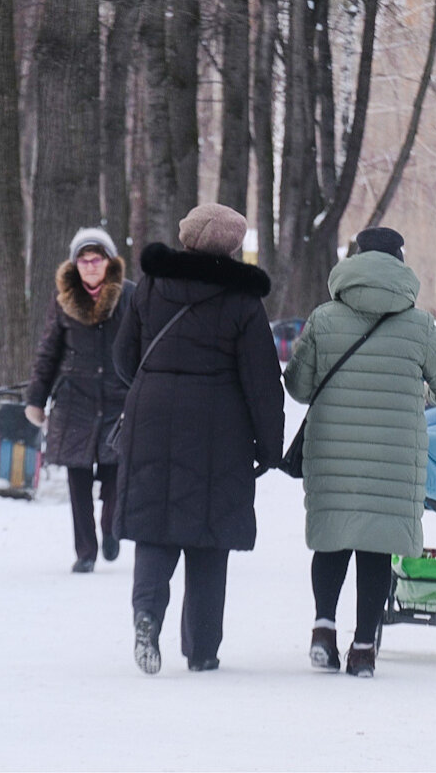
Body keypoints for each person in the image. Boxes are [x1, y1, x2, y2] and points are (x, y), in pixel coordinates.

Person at [283, 227, 436, 678]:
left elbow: (299, 385)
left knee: (332, 539)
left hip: (333, 452)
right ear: (400, 265)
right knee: (377, 549)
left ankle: (323, 631)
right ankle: (363, 649)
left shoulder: (325, 318)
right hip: (393, 458)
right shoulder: (419, 325)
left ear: (354, 261)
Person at [113, 203, 284, 675]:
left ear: (187, 236)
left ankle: (147, 614)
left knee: (155, 527)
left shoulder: (150, 285)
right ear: (231, 246)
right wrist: (270, 448)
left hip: (151, 418)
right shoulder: (243, 301)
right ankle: (202, 649)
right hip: (219, 429)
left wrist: (154, 389)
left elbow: (124, 358)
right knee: (210, 537)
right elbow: (262, 382)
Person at [26, 228, 134, 573]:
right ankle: (85, 552)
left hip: (118, 401)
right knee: (78, 480)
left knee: (116, 473)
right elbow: (48, 353)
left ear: (108, 261)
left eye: (97, 259)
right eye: (84, 260)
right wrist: (36, 399)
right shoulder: (64, 302)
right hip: (75, 402)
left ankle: (110, 529)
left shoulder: (129, 297)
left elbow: (143, 348)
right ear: (75, 264)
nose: (90, 266)